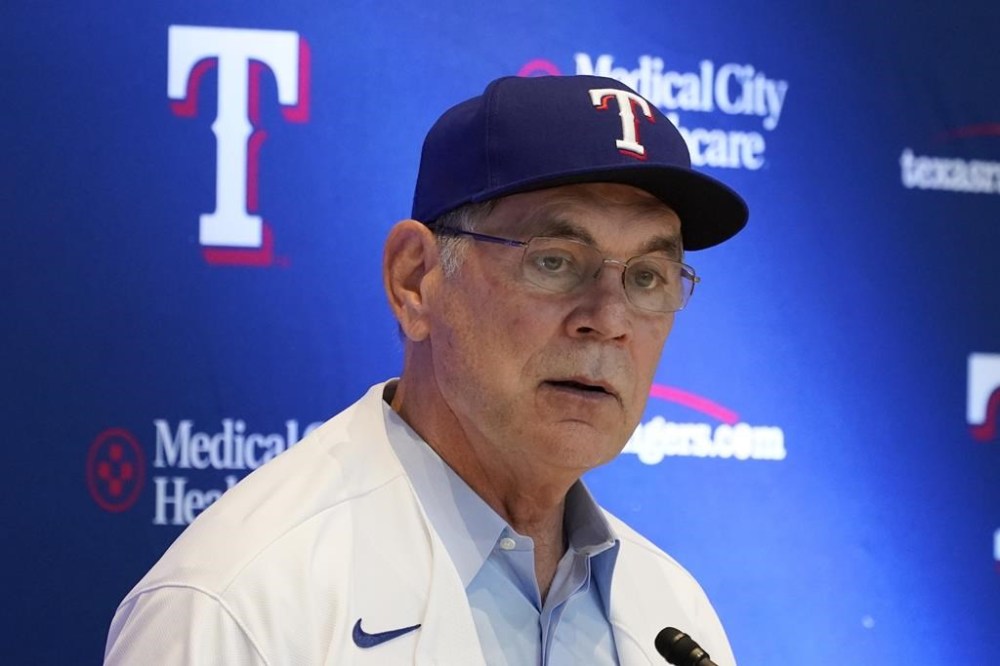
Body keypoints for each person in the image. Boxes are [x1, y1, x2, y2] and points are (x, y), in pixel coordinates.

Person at [104, 74, 748, 665]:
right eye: (555, 260)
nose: (609, 319)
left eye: (648, 277)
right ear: (414, 279)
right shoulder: (239, 605)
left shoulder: (673, 613)